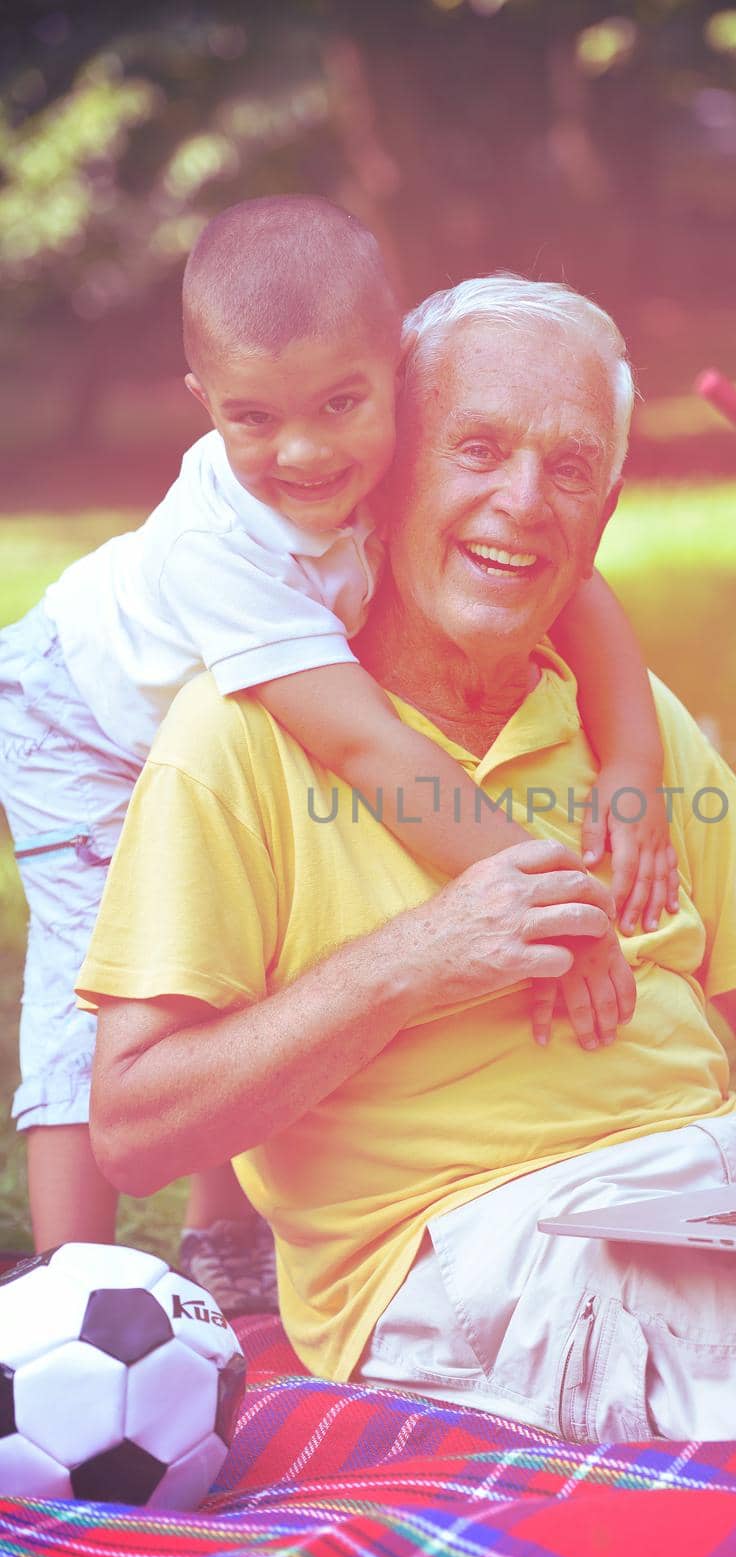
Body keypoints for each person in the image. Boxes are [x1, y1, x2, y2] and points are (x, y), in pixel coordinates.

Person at [82, 276, 736, 1452]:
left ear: (603, 515)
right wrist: (412, 962)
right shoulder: (236, 733)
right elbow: (135, 1124)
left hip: (727, 1179)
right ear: (389, 482)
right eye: (481, 448)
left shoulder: (626, 720)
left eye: (568, 468)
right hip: (475, 1244)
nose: (523, 502)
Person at [0, 199, 678, 1308]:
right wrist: (560, 901)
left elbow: (580, 587)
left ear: (397, 371)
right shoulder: (222, 549)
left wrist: (633, 774)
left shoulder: (404, 431)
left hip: (204, 715)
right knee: (107, 987)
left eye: (340, 406)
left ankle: (224, 1240)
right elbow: (366, 746)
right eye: (252, 419)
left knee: (245, 935)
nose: (306, 451)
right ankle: (65, 1290)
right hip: (79, 718)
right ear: (202, 406)